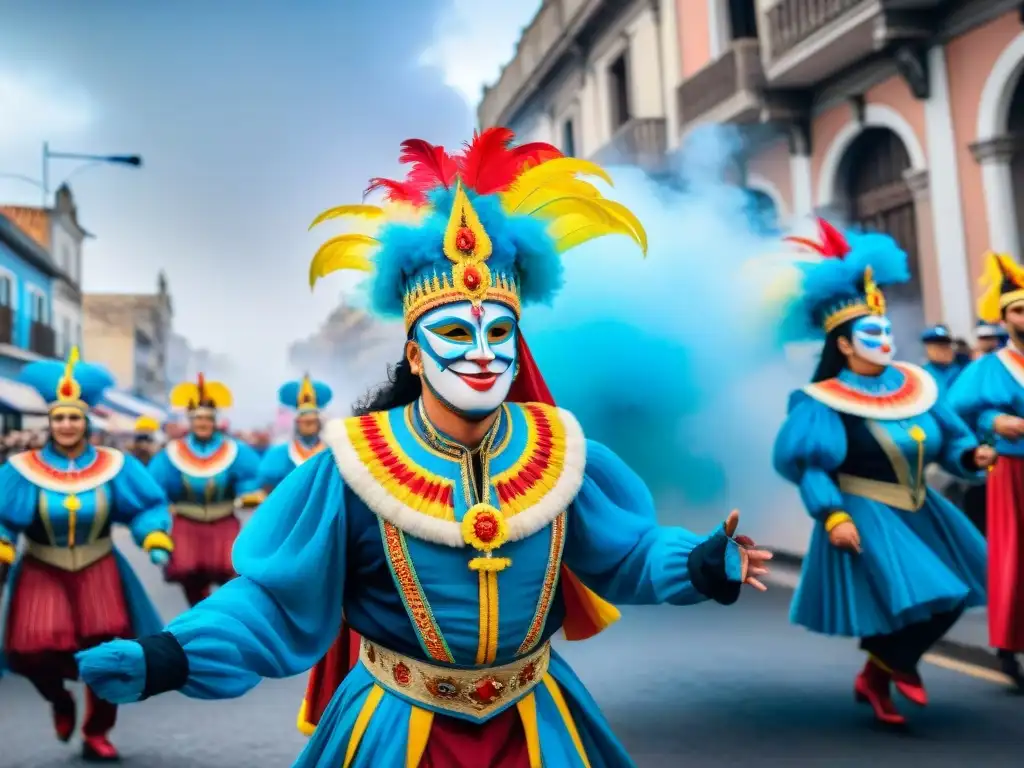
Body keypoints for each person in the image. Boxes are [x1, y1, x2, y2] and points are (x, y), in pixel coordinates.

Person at [76, 129, 772, 768]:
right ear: (413, 349)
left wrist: (701, 562)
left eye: (499, 335)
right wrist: (170, 655)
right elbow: (276, 603)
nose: (481, 354)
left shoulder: (561, 451)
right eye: (456, 335)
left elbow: (623, 554)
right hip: (398, 728)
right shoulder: (351, 466)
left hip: (536, 721)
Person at [771, 219, 992, 726]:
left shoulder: (916, 384)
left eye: (888, 330)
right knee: (928, 594)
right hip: (865, 506)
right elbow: (811, 467)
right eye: (872, 332)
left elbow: (952, 438)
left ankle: (881, 669)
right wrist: (832, 517)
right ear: (844, 345)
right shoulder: (822, 400)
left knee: (955, 593)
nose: (885, 339)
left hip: (921, 506)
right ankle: (891, 666)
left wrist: (970, 457)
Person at [0, 348, 173, 761]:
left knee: (108, 650)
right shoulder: (21, 468)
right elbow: (4, 516)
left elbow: (146, 506)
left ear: (86, 421)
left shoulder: (116, 464)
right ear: (50, 422)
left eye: (73, 417)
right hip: (42, 567)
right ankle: (59, 698)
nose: (66, 424)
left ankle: (98, 730)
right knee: (31, 649)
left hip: (100, 568)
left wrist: (153, 535)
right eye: (59, 417)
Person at [948, 251, 1024, 688]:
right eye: (1017, 310)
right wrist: (992, 423)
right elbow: (954, 412)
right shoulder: (989, 367)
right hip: (1010, 468)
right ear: (1003, 317)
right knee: (1012, 557)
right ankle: (1009, 647)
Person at [147, 374, 262, 607]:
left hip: (224, 524)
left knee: (232, 585)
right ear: (190, 421)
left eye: (208, 418)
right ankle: (202, 630)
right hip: (186, 527)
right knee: (193, 588)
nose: (203, 423)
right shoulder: (171, 453)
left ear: (215, 421)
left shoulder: (235, 451)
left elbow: (249, 481)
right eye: (198, 418)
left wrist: (249, 494)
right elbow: (153, 494)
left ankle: (225, 626)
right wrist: (156, 531)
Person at [257, 375, 332, 493]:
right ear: (297, 423)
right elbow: (266, 487)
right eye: (304, 421)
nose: (308, 424)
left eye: (312, 421)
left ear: (319, 423)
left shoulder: (331, 452)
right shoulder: (279, 453)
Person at [921, 324, 962, 397]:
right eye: (940, 347)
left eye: (947, 346)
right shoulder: (922, 375)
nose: (945, 351)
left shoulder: (960, 371)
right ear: (928, 350)